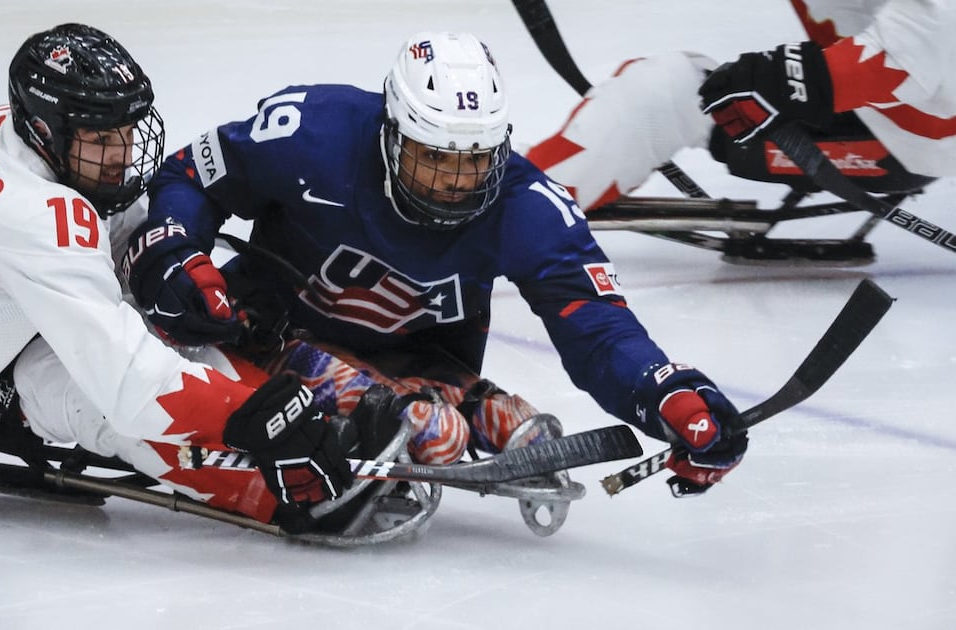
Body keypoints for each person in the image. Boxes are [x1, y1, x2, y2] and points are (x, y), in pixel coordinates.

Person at [126, 31, 749, 497]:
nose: (455, 183)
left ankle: (441, 401)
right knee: (437, 434)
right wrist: (179, 257)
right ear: (392, 133)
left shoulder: (529, 206)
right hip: (270, 333)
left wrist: (666, 392)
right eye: (435, 159)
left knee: (495, 428)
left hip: (421, 359)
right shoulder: (310, 131)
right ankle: (399, 407)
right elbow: (189, 175)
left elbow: (599, 329)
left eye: (474, 161)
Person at [0, 23, 357, 531]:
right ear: (49, 130)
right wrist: (249, 415)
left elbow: (98, 228)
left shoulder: (14, 135)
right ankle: (286, 490)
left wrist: (172, 267)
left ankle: (297, 418)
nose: (122, 153)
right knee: (93, 392)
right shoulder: (27, 216)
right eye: (100, 139)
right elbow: (133, 388)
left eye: (125, 132)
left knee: (150, 331)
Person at [527, 0, 955, 211]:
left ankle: (502, 214)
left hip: (897, 137)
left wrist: (787, 83)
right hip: (897, 114)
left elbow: (915, 51)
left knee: (668, 91)